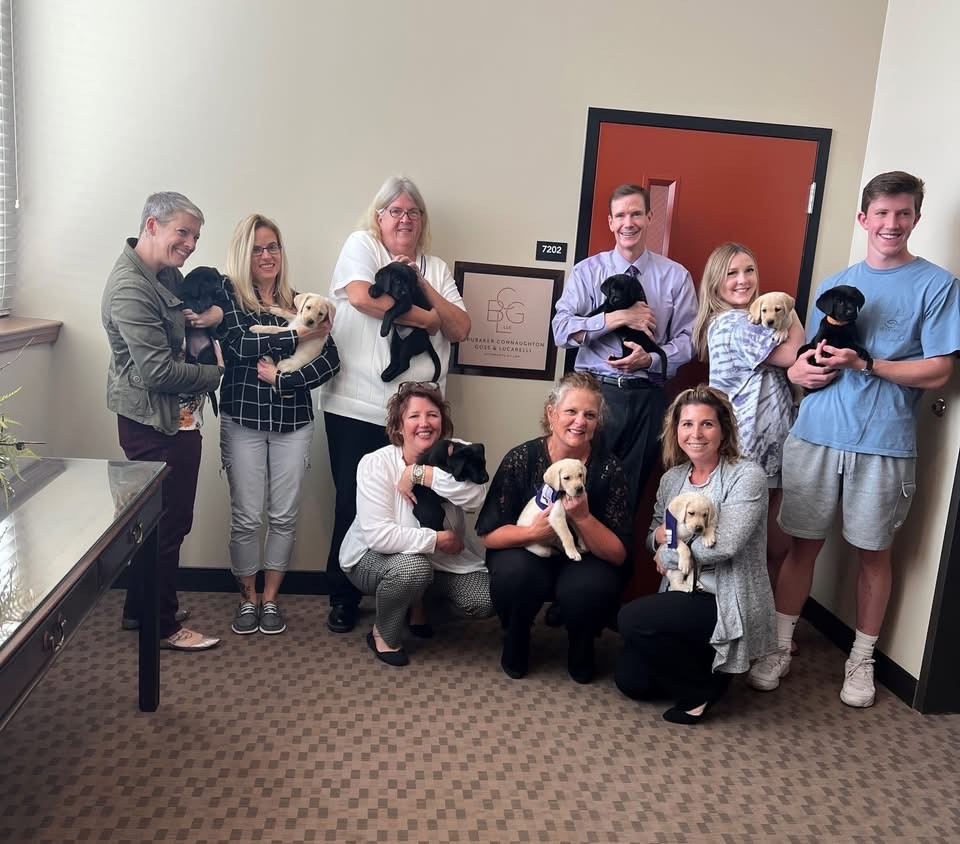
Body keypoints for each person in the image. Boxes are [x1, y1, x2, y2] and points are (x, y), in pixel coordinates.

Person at [748, 171, 960, 708]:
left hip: (885, 441)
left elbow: (938, 372)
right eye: (882, 214)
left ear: (915, 218)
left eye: (903, 213)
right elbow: (802, 359)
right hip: (816, 434)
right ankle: (779, 645)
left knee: (874, 554)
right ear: (864, 219)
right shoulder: (833, 282)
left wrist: (867, 363)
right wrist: (801, 374)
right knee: (802, 546)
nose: (891, 224)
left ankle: (861, 662)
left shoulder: (937, 286)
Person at [322, 176, 470, 635]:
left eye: (413, 212)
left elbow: (461, 327)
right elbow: (364, 297)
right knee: (352, 502)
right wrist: (428, 317)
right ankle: (343, 597)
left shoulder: (437, 268)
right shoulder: (362, 244)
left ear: (422, 221)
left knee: (423, 503)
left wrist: (423, 284)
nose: (404, 219)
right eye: (395, 211)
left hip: (420, 417)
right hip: (358, 405)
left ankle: (411, 599)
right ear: (379, 217)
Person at [101, 191, 223, 651]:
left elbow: (188, 325)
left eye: (194, 235)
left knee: (162, 520)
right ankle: (163, 624)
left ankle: (141, 609)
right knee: (167, 523)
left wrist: (212, 315)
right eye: (182, 233)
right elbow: (158, 372)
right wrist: (217, 373)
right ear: (151, 226)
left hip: (174, 417)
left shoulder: (163, 273)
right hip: (154, 422)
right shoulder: (132, 287)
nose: (190, 244)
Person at [616, 385, 775, 724]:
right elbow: (652, 536)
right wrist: (658, 540)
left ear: (724, 430)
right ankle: (708, 670)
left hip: (724, 598)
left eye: (707, 424)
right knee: (632, 682)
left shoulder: (747, 476)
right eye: (687, 424)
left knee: (632, 618)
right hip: (681, 591)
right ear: (676, 431)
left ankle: (698, 692)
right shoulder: (672, 479)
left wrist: (668, 553)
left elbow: (725, 545)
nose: (696, 433)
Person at [219, 213, 341, 636]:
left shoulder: (300, 300)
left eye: (273, 247)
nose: (267, 255)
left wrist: (286, 378)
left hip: (294, 421)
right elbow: (237, 345)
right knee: (247, 516)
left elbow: (331, 360)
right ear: (244, 253)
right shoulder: (230, 296)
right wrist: (295, 337)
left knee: (284, 515)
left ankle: (270, 600)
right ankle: (246, 598)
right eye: (257, 248)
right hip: (243, 419)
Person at [475, 372, 631, 684]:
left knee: (589, 587)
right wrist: (534, 533)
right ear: (551, 414)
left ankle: (582, 643)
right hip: (528, 549)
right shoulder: (522, 458)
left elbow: (617, 554)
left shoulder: (609, 469)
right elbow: (489, 535)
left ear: (597, 421)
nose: (580, 421)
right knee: (514, 574)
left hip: (584, 557)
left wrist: (584, 518)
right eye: (571, 411)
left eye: (589, 415)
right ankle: (516, 635)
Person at [552, 183, 698, 509]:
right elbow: (560, 331)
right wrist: (616, 318)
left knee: (628, 498)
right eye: (620, 215)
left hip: (648, 399)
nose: (628, 222)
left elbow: (690, 342)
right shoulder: (588, 272)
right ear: (610, 222)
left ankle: (616, 559)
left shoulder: (675, 277)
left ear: (649, 217)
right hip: (594, 395)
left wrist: (649, 360)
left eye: (635, 213)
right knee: (579, 486)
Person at [338, 381, 492, 666]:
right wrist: (437, 540)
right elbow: (378, 537)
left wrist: (419, 474)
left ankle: (418, 602)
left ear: (443, 422)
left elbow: (476, 497)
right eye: (414, 416)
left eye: (432, 415)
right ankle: (383, 634)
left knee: (485, 598)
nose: (425, 423)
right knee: (413, 568)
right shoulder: (375, 463)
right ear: (398, 427)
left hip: (439, 561)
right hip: (372, 558)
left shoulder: (458, 451)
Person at [692, 242, 806, 585]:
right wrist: (791, 310)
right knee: (743, 545)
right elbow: (796, 353)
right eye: (731, 273)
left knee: (769, 544)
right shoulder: (732, 323)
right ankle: (731, 623)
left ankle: (763, 626)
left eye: (749, 270)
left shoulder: (754, 318)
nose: (743, 280)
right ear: (715, 283)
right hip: (748, 451)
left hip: (769, 450)